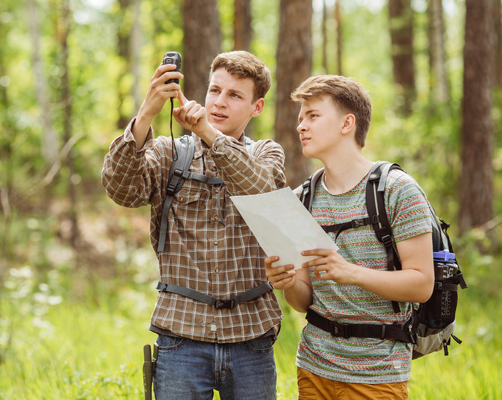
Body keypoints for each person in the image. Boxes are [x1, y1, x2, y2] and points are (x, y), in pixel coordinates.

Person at [102, 50, 285, 399]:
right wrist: (146, 114)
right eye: (215, 90)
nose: (219, 102)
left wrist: (207, 132)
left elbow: (263, 189)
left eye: (234, 95)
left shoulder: (267, 153)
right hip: (181, 337)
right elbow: (121, 191)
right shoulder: (171, 152)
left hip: (252, 338)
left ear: (256, 107)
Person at [264, 75, 434, 400]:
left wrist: (350, 273)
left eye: (313, 116)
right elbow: (303, 301)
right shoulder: (302, 198)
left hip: (377, 375)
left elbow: (422, 283)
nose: (301, 126)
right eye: (301, 118)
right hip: (313, 368)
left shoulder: (399, 190)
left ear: (347, 123)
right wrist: (286, 282)